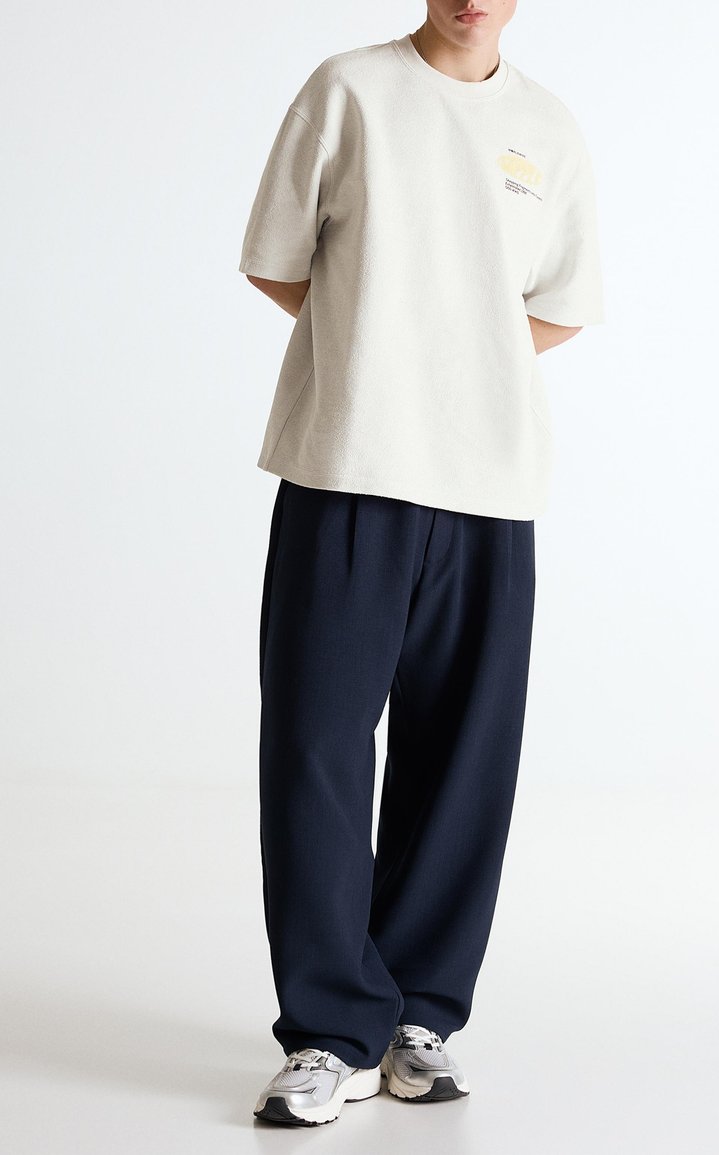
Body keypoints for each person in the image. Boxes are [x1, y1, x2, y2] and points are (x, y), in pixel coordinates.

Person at [238, 0, 604, 1128]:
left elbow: (560, 306)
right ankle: (328, 1030)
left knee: (461, 759)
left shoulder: (548, 127)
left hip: (489, 485)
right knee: (316, 748)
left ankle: (417, 1016)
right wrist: (380, 354)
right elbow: (276, 265)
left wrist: (461, 358)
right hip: (347, 467)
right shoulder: (349, 89)